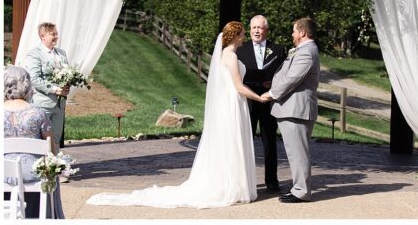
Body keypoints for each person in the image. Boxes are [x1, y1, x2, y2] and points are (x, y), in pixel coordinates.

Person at [88, 21, 267, 208]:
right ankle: (231, 186)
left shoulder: (227, 54)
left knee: (230, 142)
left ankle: (231, 184)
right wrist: (259, 98)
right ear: (236, 35)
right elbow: (238, 86)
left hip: (232, 102)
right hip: (232, 102)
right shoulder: (230, 55)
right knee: (231, 142)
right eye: (243, 34)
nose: (245, 37)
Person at [267, 17, 321, 204]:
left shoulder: (307, 52)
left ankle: (302, 190)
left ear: (302, 33)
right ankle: (298, 187)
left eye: (294, 30)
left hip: (296, 109)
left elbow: (293, 78)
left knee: (298, 151)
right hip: (291, 108)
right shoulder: (303, 50)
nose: (292, 34)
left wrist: (272, 93)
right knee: (294, 151)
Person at [4, 65, 62, 219]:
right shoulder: (38, 113)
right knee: (51, 169)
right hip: (32, 173)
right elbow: (51, 150)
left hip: (2, 173)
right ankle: (43, 215)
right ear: (27, 85)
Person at [237, 14, 286, 192]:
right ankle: (244, 180)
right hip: (248, 100)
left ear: (266, 30)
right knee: (245, 140)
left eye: (260, 28)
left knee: (270, 142)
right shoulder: (241, 49)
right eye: (253, 28)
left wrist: (273, 84)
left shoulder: (279, 49)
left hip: (268, 100)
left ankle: (271, 180)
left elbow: (283, 73)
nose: (256, 31)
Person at [23, 22, 69, 150]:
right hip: (43, 103)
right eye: (52, 34)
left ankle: (55, 165)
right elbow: (34, 78)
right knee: (40, 138)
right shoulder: (34, 54)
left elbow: (68, 74)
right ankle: (40, 167)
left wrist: (67, 85)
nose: (55, 37)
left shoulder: (62, 53)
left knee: (56, 138)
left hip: (60, 104)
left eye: (56, 34)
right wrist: (55, 89)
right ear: (42, 36)